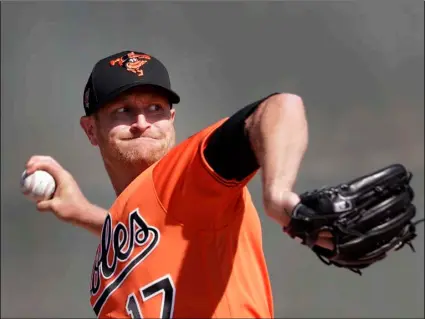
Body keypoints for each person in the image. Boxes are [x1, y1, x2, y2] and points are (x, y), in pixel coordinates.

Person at [25, 50, 333, 318]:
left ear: (172, 117)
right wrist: (81, 212)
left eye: (155, 108)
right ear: (90, 129)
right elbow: (157, 231)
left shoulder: (188, 175)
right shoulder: (142, 215)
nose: (142, 122)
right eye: (123, 110)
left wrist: (277, 194)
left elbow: (280, 107)